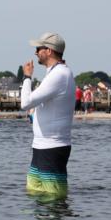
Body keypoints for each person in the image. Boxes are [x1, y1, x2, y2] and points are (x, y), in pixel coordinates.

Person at [21, 32, 76, 198]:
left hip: (52, 146)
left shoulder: (59, 74)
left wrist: (27, 77)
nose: (36, 52)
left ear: (49, 51)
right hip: (42, 145)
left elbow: (26, 103)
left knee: (53, 201)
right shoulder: (54, 73)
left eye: (39, 48)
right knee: (34, 197)